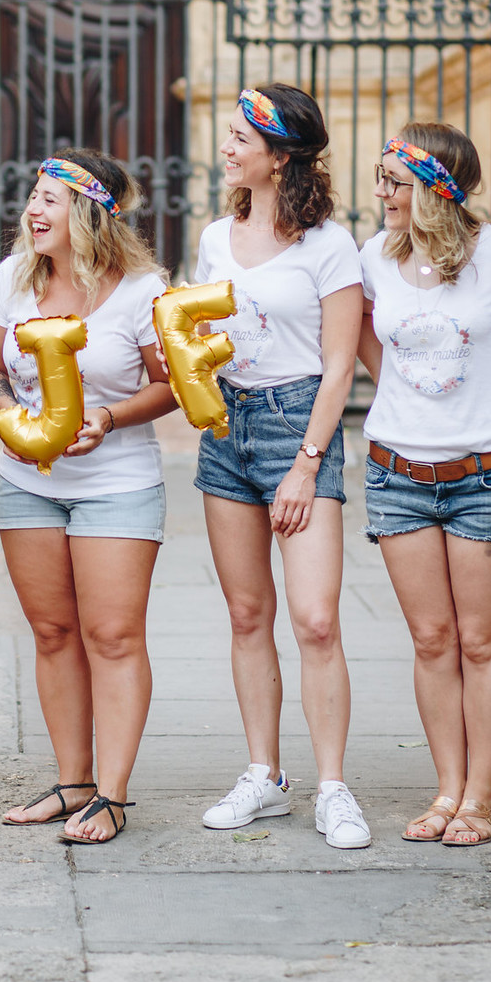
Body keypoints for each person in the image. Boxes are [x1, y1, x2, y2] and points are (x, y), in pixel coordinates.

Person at [357, 122, 491, 847]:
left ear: (437, 189)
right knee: (430, 639)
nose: (379, 192)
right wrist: (400, 392)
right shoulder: (373, 258)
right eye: (381, 179)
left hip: (487, 474)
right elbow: (353, 332)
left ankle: (482, 796)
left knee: (481, 641)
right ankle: (447, 787)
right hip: (398, 472)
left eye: (394, 181)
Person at [0, 149, 175, 845]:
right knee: (54, 633)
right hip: (27, 483)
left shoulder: (142, 289)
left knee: (112, 637)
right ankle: (73, 783)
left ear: (89, 214)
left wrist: (109, 418)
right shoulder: (13, 279)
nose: (33, 210)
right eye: (33, 196)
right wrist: (9, 416)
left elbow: (169, 384)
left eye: (50, 200)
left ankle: (113, 795)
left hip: (117, 485)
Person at [192, 85, 370, 849]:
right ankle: (264, 774)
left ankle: (333, 786)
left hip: (299, 423)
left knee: (316, 619)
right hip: (226, 425)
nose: (227, 147)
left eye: (240, 138)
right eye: (228, 135)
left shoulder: (329, 245)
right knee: (245, 614)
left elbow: (339, 368)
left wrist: (306, 464)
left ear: (281, 155)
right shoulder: (212, 237)